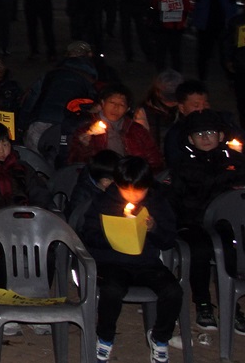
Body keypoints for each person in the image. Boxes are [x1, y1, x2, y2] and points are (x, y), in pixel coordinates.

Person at [79, 156, 181, 363]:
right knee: (111, 290)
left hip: (146, 263)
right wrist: (112, 235)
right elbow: (87, 235)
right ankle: (105, 338)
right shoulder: (103, 202)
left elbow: (169, 239)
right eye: (127, 190)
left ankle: (160, 338)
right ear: (117, 184)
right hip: (112, 263)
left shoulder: (157, 203)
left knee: (173, 291)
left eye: (139, 190)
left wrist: (153, 229)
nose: (133, 196)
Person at [167, 110, 245, 332]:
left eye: (210, 132)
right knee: (199, 250)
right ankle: (203, 302)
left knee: (231, 248)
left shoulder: (236, 161)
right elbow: (176, 200)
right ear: (190, 139)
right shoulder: (183, 165)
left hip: (227, 225)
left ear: (221, 135)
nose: (205, 137)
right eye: (199, 133)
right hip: (194, 224)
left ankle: (231, 303)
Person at [68, 84, 164, 172]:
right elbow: (75, 162)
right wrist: (84, 146)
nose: (116, 107)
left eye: (121, 105)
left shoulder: (136, 130)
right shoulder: (85, 128)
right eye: (112, 102)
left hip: (130, 179)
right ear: (102, 103)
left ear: (127, 109)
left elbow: (154, 157)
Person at [64, 149, 121, 219]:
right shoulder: (83, 196)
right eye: (118, 181)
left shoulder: (105, 187)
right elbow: (77, 220)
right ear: (105, 182)